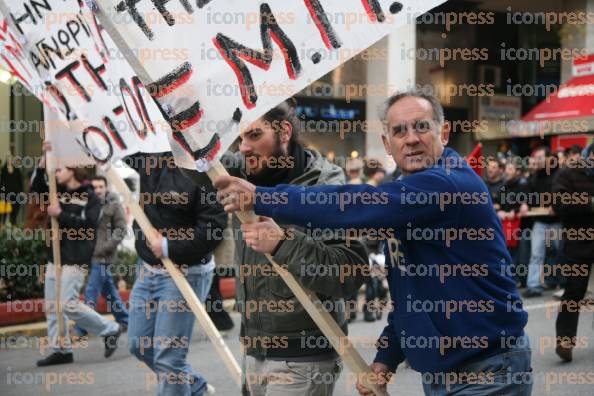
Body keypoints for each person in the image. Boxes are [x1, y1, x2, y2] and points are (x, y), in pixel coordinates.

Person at [215, 91, 532, 396]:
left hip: (489, 373)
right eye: (399, 131)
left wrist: (260, 198)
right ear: (387, 144)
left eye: (422, 127)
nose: (411, 138)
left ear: (444, 133)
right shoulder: (406, 190)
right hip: (448, 374)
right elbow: (413, 295)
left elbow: (353, 204)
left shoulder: (447, 182)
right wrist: (386, 358)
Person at [217, 99, 368, 395]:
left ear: (284, 132)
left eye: (255, 135)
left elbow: (348, 272)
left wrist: (283, 242)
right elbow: (194, 167)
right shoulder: (241, 171)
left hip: (304, 357)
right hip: (253, 349)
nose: (244, 147)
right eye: (240, 138)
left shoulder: (326, 183)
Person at [125, 152, 226, 396]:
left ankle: (182, 383)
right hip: (149, 268)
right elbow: (114, 146)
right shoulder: (150, 156)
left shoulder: (204, 170)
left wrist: (169, 246)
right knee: (139, 345)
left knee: (169, 358)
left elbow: (212, 231)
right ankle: (194, 385)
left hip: (186, 272)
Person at [32, 142, 122, 367]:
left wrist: (61, 214)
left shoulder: (89, 196)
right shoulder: (57, 191)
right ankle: (61, 349)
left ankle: (110, 329)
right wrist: (44, 159)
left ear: (72, 170)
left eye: (59, 169)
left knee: (69, 305)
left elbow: (88, 226)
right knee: (52, 306)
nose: (56, 172)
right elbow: (36, 188)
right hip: (56, 255)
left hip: (76, 259)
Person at [551, 143, 594, 362]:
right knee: (574, 292)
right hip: (578, 243)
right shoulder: (568, 173)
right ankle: (565, 341)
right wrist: (590, 204)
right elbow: (558, 202)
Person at [74, 176, 129, 336]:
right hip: (90, 254)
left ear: (106, 187)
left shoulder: (114, 204)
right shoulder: (90, 203)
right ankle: (125, 320)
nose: (97, 190)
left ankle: (80, 329)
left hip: (103, 256)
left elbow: (121, 229)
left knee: (91, 291)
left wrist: (106, 247)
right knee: (109, 291)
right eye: (95, 187)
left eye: (100, 187)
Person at [522, 147, 562, 298]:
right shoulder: (535, 176)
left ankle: (564, 284)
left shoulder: (559, 174)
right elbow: (528, 195)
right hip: (540, 221)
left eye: (540, 158)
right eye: (536, 158)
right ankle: (534, 286)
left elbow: (563, 193)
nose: (537, 161)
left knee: (561, 253)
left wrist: (556, 205)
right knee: (536, 254)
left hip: (557, 221)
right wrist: (525, 203)